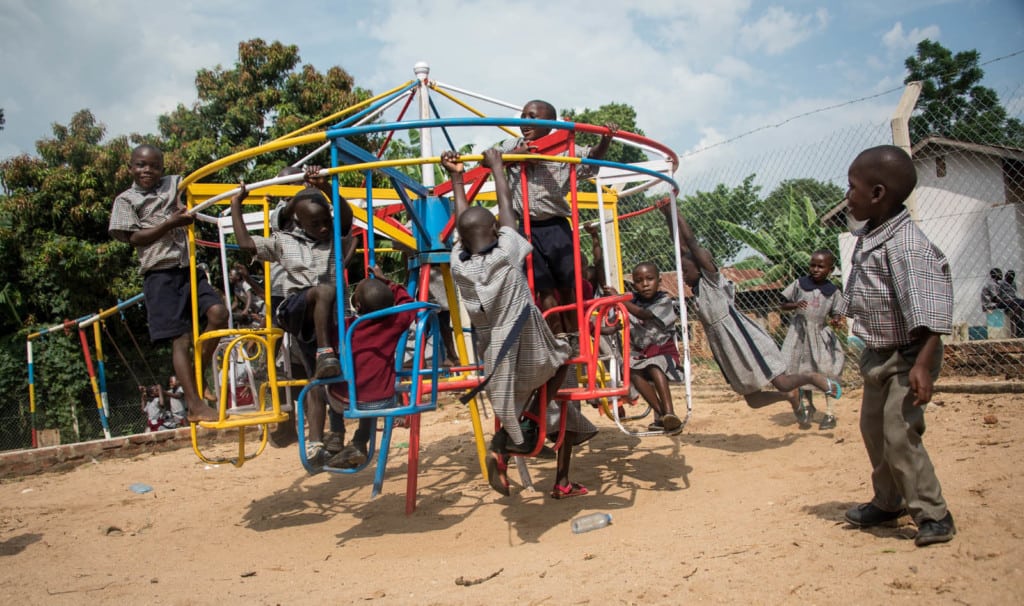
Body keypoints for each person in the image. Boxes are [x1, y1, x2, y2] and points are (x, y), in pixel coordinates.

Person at [445, 148, 596, 499]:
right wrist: (499, 168)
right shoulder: (506, 256)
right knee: (562, 359)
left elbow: (464, 226)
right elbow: (508, 214)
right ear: (496, 230)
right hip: (526, 342)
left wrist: (457, 178)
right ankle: (522, 430)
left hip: (493, 350)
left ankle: (521, 432)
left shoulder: (459, 264)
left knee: (530, 386)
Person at [839, 145, 956, 547]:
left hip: (910, 355)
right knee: (873, 429)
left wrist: (922, 366)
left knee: (899, 432)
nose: (847, 195)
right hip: (880, 353)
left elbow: (932, 313)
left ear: (877, 194)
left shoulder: (907, 246)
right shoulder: (872, 233)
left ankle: (933, 513)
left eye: (852, 188)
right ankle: (888, 502)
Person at [659, 204, 840, 421]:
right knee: (753, 400)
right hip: (728, 350)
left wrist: (674, 209)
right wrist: (667, 216)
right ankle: (790, 397)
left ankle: (813, 378)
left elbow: (691, 243)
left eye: (686, 271)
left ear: (702, 267)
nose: (683, 276)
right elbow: (681, 249)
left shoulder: (712, 282)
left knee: (781, 381)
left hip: (746, 341)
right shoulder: (697, 291)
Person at [230, 178, 354, 466]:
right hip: (298, 311)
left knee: (325, 378)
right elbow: (246, 244)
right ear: (299, 221)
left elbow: (346, 218)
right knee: (322, 291)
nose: (323, 228)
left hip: (331, 319)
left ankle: (324, 439)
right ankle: (325, 354)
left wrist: (326, 187)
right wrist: (236, 205)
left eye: (326, 221)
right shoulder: (284, 241)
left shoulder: (334, 237)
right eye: (315, 224)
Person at [109, 144, 228, 423]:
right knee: (181, 339)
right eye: (140, 165)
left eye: (153, 166)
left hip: (188, 269)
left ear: (162, 168)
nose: (147, 170)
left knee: (219, 314)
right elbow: (134, 238)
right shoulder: (126, 200)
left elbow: (196, 189)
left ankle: (197, 378)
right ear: (130, 168)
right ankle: (195, 405)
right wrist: (170, 224)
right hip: (159, 274)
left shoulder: (175, 184)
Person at [496, 100, 617, 335]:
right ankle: (557, 336)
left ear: (549, 125)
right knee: (543, 287)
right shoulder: (513, 144)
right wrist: (517, 156)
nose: (525, 122)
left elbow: (592, 160)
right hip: (527, 227)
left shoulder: (564, 148)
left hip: (556, 226)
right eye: (523, 116)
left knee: (568, 283)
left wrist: (605, 140)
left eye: (532, 117)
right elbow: (489, 158)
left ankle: (574, 334)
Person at [326, 265, 421, 468]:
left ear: (357, 305)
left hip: (346, 401)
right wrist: (386, 280)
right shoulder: (395, 322)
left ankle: (336, 433)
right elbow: (409, 305)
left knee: (321, 387)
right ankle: (360, 442)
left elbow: (329, 339)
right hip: (382, 401)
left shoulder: (347, 327)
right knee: (371, 395)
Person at [606, 262, 683, 433]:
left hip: (664, 353)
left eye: (650, 279)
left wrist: (619, 298)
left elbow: (644, 315)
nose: (645, 284)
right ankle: (664, 416)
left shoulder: (664, 300)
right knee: (632, 370)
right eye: (639, 281)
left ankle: (669, 411)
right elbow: (620, 322)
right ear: (634, 285)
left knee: (655, 365)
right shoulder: (631, 301)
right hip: (642, 356)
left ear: (659, 281)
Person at [779, 250, 846, 430]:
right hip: (799, 335)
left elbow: (837, 314)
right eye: (813, 265)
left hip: (820, 334)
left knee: (826, 371)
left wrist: (837, 321)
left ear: (830, 270)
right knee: (800, 370)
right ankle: (808, 407)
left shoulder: (833, 292)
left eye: (821, 266)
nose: (815, 269)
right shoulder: (800, 284)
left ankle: (830, 413)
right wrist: (794, 305)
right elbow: (782, 304)